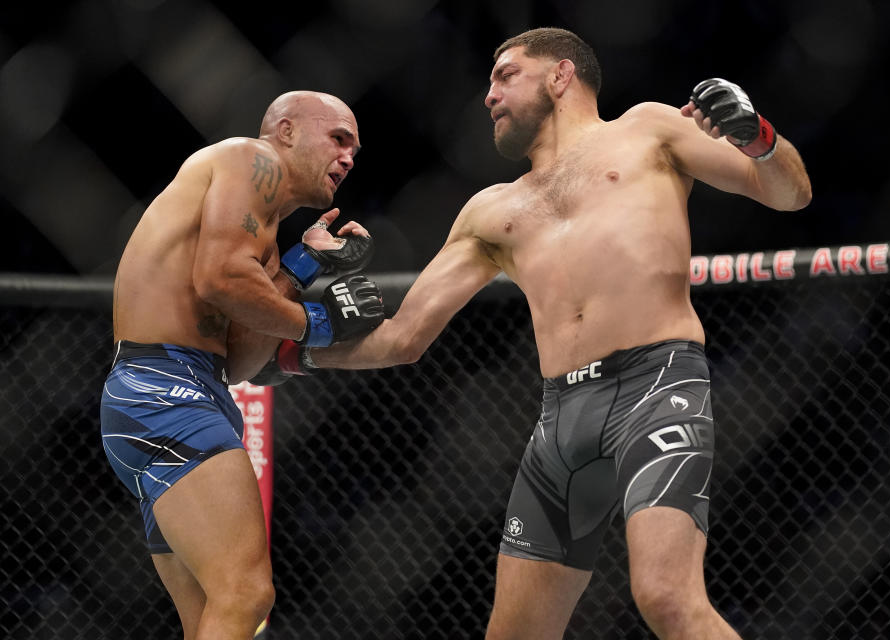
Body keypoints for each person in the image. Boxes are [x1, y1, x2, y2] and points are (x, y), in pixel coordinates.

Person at [275, 28, 811, 638]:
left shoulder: (647, 130)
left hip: (656, 388)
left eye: (505, 75)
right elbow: (403, 337)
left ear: (561, 76)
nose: (487, 96)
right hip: (562, 419)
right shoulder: (490, 210)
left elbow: (789, 193)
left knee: (666, 598)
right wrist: (294, 356)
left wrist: (757, 137)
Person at [99, 91, 384, 640]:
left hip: (189, 390)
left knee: (211, 610)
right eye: (338, 138)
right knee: (247, 593)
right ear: (286, 131)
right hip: (164, 388)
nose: (349, 157)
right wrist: (319, 323)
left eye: (355, 147)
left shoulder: (268, 237)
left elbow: (241, 360)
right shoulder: (247, 161)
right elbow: (220, 279)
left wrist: (307, 264)